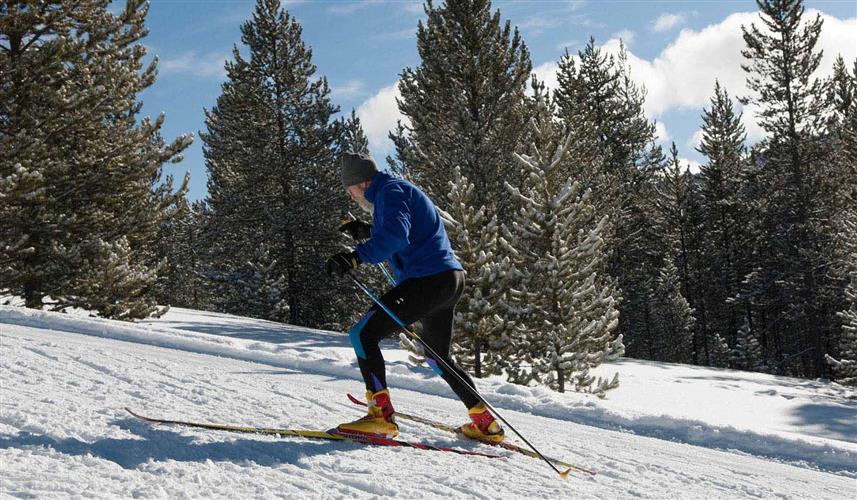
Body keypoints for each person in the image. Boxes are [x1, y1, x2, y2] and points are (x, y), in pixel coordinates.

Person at [325, 152, 504, 443]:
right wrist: (365, 231)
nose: (353, 198)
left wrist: (355, 258)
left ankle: (380, 417)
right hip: (448, 280)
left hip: (427, 279)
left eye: (351, 191)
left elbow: (396, 236)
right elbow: (405, 229)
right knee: (437, 356)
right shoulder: (395, 190)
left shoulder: (389, 192)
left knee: (362, 335)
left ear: (362, 183)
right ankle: (484, 422)